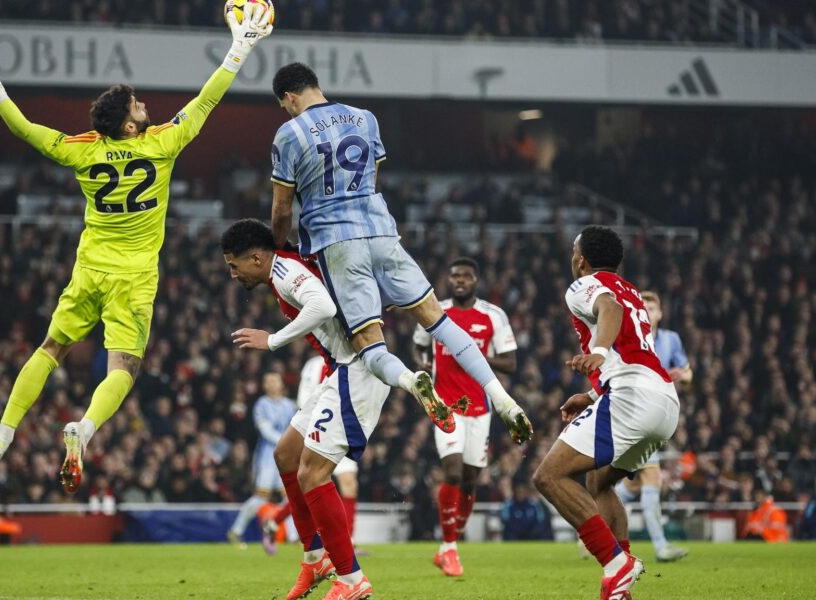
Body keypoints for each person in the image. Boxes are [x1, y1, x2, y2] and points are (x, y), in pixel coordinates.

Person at [0, 5, 273, 492]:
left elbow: (27, 131)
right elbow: (206, 102)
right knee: (125, 368)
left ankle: (2, 436)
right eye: (137, 107)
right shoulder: (161, 145)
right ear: (129, 127)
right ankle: (84, 428)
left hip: (89, 270)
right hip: (134, 276)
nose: (144, 108)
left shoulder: (84, 150)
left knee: (51, 348)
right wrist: (240, 48)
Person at [267, 62, 531, 445]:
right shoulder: (364, 118)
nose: (286, 111)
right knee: (438, 321)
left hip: (336, 242)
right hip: (381, 230)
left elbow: (281, 210)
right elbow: (372, 180)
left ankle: (411, 381)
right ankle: (502, 397)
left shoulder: (288, 134)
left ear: (290, 97)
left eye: (284, 105)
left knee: (369, 346)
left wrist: (281, 246)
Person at [222, 219, 387, 600]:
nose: (232, 274)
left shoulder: (282, 271)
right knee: (286, 456)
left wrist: (273, 340)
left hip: (358, 369)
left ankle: (351, 579)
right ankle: (315, 557)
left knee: (313, 474)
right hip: (340, 368)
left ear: (257, 258)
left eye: (234, 265)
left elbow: (323, 304)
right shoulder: (282, 267)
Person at [532, 226, 680, 600]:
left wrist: (597, 349)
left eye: (573, 252)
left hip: (633, 398)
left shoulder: (586, 285)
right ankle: (621, 586)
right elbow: (632, 354)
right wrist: (592, 393)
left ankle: (617, 565)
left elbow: (608, 311)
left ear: (581, 259)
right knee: (598, 483)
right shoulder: (629, 289)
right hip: (662, 401)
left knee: (549, 477)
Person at [413, 257, 517, 576]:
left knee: (471, 479)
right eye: (455, 275)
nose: (460, 280)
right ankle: (450, 548)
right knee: (454, 473)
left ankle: (452, 534)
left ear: (476, 281)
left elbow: (510, 362)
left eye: (466, 276)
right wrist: (424, 365)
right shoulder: (433, 310)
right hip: (445, 404)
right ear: (448, 280)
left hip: (479, 408)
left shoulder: (493, 316)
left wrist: (473, 354)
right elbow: (418, 347)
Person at [614, 291, 690, 562]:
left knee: (631, 487)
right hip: (635, 415)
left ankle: (592, 515)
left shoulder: (671, 340)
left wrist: (683, 376)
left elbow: (688, 373)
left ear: (660, 313)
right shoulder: (628, 339)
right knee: (651, 477)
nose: (646, 311)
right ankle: (660, 547)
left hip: (658, 415)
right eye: (642, 307)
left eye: (651, 307)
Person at [261, 354, 363, 556]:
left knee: (349, 483)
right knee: (310, 484)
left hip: (344, 428)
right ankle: (274, 521)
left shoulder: (356, 361)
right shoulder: (315, 364)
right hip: (323, 428)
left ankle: (348, 541)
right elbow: (304, 399)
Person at [227, 372, 297, 548]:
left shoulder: (290, 405)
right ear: (264, 386)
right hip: (267, 458)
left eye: (274, 380)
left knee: (291, 497)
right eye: (268, 381)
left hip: (287, 457)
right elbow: (265, 430)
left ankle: (294, 537)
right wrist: (287, 442)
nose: (271, 384)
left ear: (282, 384)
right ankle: (236, 531)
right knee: (261, 498)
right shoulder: (261, 405)